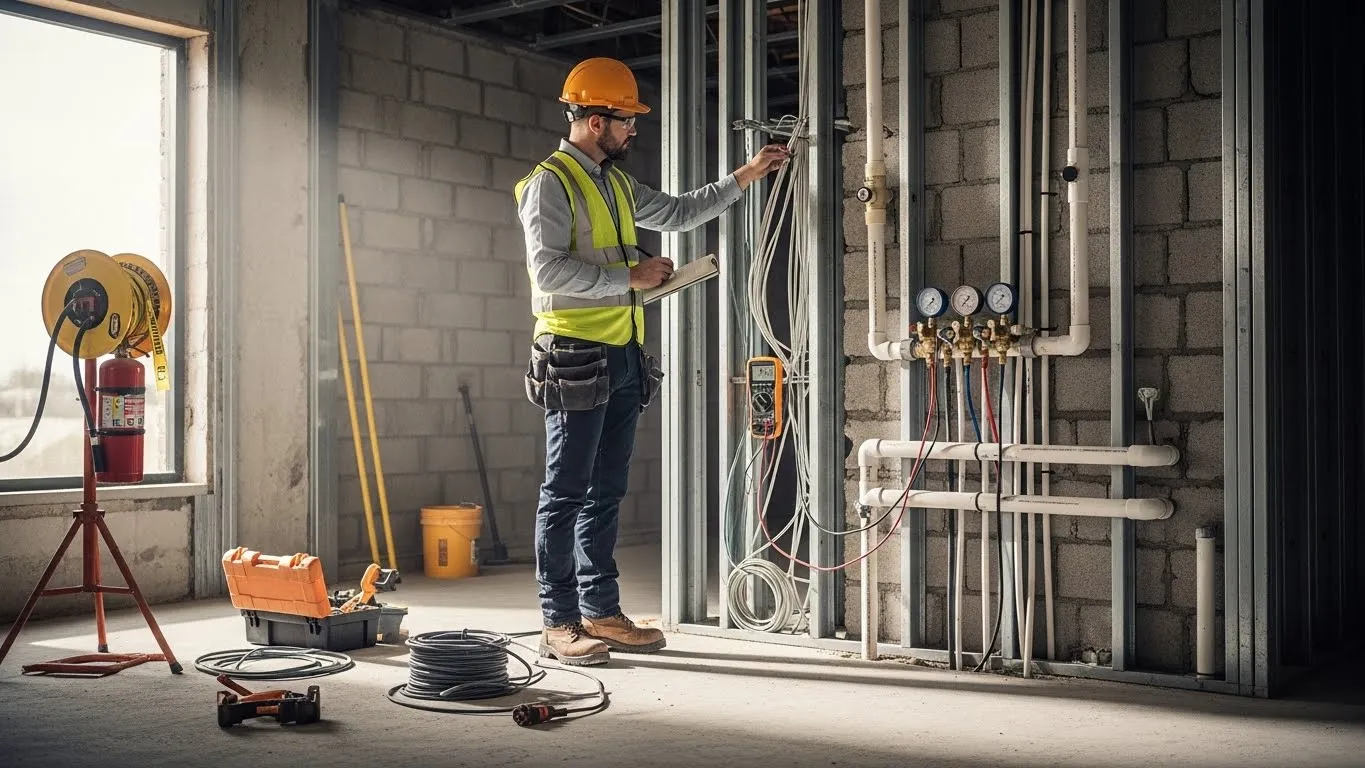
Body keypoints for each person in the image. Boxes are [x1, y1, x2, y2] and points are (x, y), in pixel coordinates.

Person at [514, 57, 789, 666]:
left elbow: (678, 213)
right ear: (591, 120)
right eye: (624, 121)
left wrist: (748, 173)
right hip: (575, 358)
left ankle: (600, 611)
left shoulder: (612, 181)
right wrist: (630, 275)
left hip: (621, 356)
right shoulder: (549, 183)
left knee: (606, 491)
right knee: (565, 492)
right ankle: (558, 622)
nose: (632, 131)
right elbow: (548, 273)